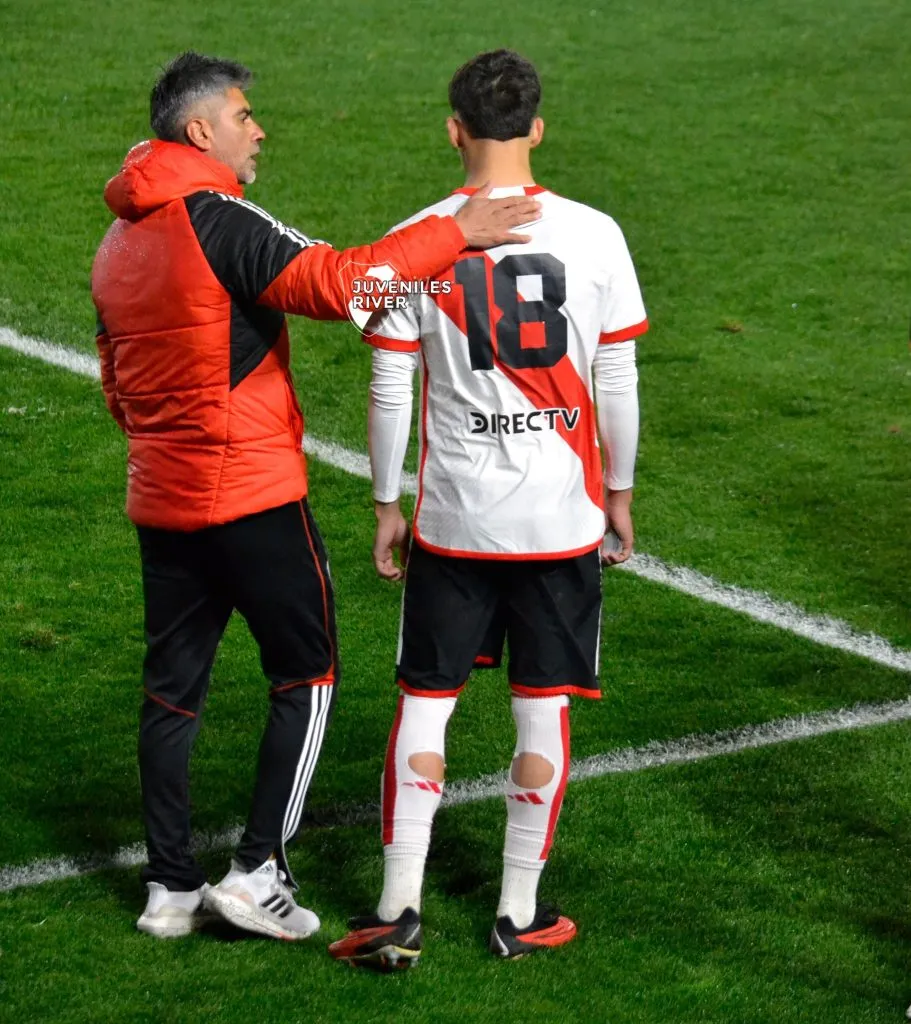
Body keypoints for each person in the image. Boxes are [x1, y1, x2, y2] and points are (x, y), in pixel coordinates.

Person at [91, 50, 540, 942]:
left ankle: (169, 888)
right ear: (199, 132)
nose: (257, 129)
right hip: (253, 494)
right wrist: (458, 229)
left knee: (172, 694)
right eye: (243, 114)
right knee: (309, 673)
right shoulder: (215, 217)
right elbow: (343, 285)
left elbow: (115, 381)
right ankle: (258, 869)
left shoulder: (118, 238)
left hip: (163, 499)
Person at [328, 49, 647, 968]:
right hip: (561, 522)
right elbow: (614, 378)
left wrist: (386, 501)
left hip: (454, 524)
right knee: (540, 710)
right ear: (537, 128)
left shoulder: (415, 241)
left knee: (425, 704)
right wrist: (618, 491)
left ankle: (397, 909)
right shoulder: (595, 234)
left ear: (453, 129)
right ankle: (517, 912)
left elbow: (392, 388)